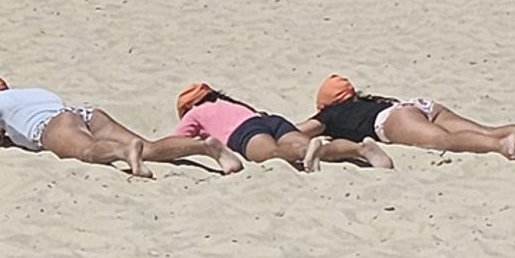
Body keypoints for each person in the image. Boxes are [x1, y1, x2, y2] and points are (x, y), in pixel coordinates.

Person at [0, 75, 238, 179]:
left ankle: (124, 153)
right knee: (148, 147)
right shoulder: (30, 94)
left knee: (87, 151)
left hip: (52, 126)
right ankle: (205, 147)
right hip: (84, 114)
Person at [310, 74, 515, 160]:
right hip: (418, 105)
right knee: (485, 128)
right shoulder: (370, 99)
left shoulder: (329, 114)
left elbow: (301, 130)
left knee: (444, 141)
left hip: (392, 120)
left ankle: (500, 146)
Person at [166, 81, 388, 172]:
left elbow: (178, 141)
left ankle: (305, 153)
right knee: (311, 145)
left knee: (271, 153)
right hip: (271, 120)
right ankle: (360, 149)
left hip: (244, 131)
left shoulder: (195, 113)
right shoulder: (231, 104)